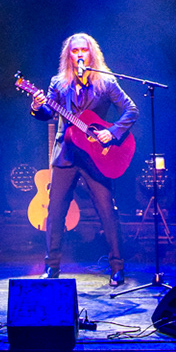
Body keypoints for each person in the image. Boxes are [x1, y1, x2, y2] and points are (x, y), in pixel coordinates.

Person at [28, 32, 138, 282]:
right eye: (74, 51)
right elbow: (48, 112)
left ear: (91, 54)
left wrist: (112, 132)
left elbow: (131, 109)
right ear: (69, 55)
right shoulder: (59, 82)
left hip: (97, 156)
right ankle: (52, 267)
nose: (79, 54)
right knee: (55, 212)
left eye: (83, 50)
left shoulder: (106, 82)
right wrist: (36, 106)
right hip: (66, 154)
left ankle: (117, 267)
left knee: (107, 210)